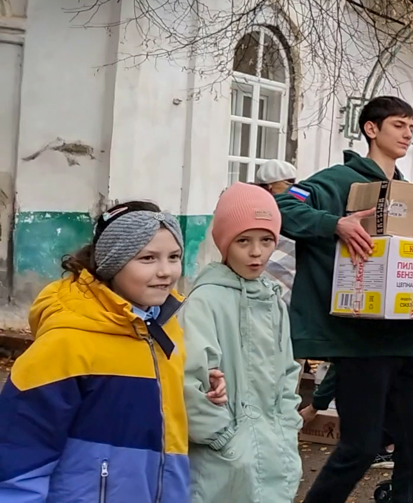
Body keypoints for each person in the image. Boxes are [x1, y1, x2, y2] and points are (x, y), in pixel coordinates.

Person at [0, 201, 227, 501]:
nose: (166, 271)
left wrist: (198, 387)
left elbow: (148, 411)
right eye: (147, 258)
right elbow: (20, 455)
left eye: (174, 257)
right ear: (112, 263)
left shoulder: (165, 327)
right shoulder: (66, 342)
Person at [275, 95, 413, 503]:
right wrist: (334, 225)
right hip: (359, 342)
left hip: (408, 337)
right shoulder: (338, 180)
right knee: (360, 447)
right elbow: (282, 206)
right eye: (398, 125)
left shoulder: (409, 194)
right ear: (371, 129)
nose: (408, 134)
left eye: (411, 126)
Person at [181, 183, 303, 502]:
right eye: (243, 241)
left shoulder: (273, 300)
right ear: (224, 243)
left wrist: (287, 428)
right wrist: (224, 440)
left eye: (266, 240)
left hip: (275, 453)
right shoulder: (205, 302)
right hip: (223, 464)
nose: (256, 252)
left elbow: (287, 373)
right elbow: (189, 378)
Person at [299, 320, 413, 468]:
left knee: (393, 368)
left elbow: (342, 363)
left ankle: (388, 447)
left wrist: (315, 406)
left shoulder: (358, 321)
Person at [255, 159, 298, 303]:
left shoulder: (297, 201)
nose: (292, 187)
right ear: (270, 186)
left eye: (293, 182)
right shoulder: (260, 208)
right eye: (287, 183)